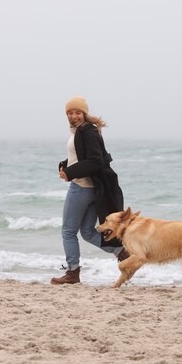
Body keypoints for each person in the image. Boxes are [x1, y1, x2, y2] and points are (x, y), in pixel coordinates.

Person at [50, 96, 129, 285]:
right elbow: (82, 156)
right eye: (70, 113)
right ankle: (122, 253)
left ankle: (72, 272)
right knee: (87, 232)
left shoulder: (87, 131)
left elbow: (95, 161)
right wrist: (65, 165)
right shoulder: (82, 131)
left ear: (84, 113)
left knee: (68, 231)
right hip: (94, 188)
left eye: (78, 112)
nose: (74, 116)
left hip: (82, 187)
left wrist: (70, 173)